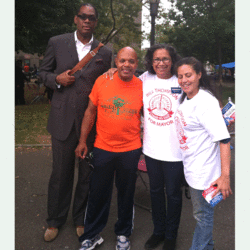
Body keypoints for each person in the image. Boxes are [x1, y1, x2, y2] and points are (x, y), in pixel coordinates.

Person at [39, 2, 112, 242]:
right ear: (75, 19)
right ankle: (54, 220)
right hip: (62, 120)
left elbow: (105, 85)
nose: (87, 21)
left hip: (90, 124)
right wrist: (56, 80)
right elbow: (42, 73)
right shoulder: (57, 42)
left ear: (96, 22)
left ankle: (81, 219)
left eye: (91, 18)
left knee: (86, 175)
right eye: (83, 17)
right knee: (60, 174)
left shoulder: (105, 52)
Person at [105, 44, 184, 250]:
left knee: (174, 195)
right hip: (151, 150)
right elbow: (125, 81)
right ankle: (158, 231)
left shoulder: (181, 80)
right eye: (157, 59)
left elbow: (199, 99)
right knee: (156, 192)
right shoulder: (145, 79)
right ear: (151, 61)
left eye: (165, 59)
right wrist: (113, 70)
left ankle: (170, 235)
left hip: (176, 152)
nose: (161, 63)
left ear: (172, 60)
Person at [75, 47, 143, 250]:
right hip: (103, 147)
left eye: (131, 61)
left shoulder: (142, 86)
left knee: (126, 193)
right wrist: (82, 141)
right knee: (97, 192)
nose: (126, 65)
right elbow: (90, 111)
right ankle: (92, 234)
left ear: (136, 64)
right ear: (116, 61)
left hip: (130, 149)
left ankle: (123, 234)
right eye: (122, 61)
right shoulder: (103, 80)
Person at [174, 57, 232, 250]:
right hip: (192, 167)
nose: (184, 80)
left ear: (199, 75)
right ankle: (209, 247)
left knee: (203, 217)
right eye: (180, 76)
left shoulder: (205, 102)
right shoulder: (188, 97)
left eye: (188, 75)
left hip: (205, 173)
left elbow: (224, 140)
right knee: (201, 214)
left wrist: (225, 176)